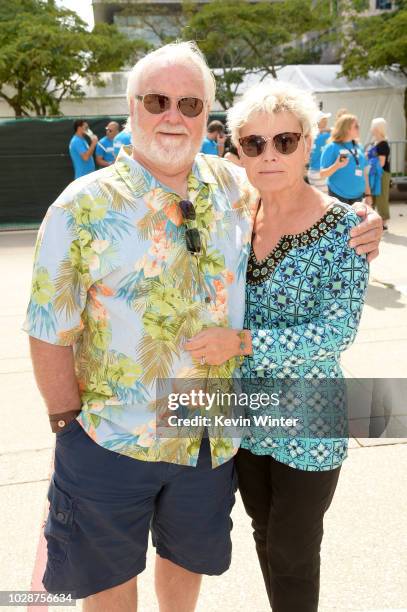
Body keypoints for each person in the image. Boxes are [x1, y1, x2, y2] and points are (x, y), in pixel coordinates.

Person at [23, 41, 382, 611]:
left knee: (187, 568)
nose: (173, 116)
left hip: (208, 442)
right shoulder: (79, 208)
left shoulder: (230, 187)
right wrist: (69, 427)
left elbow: (296, 201)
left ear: (206, 117)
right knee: (110, 580)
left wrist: (360, 217)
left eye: (190, 104)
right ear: (133, 105)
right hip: (115, 439)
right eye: (158, 100)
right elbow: (47, 327)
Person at [185, 81, 370, 611]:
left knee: (292, 546)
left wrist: (238, 344)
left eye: (285, 141)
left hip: (310, 415)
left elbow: (335, 333)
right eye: (255, 143)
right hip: (248, 412)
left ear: (309, 144)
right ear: (237, 150)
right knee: (263, 532)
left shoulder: (345, 227)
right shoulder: (236, 219)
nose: (270, 155)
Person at [319, 114, 373, 206]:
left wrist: (368, 194)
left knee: (357, 221)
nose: (359, 128)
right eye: (356, 126)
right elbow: (322, 174)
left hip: (358, 197)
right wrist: (336, 166)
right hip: (338, 195)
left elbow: (364, 172)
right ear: (346, 129)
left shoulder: (358, 146)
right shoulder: (331, 147)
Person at [367, 117, 391, 229]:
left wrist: (369, 161)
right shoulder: (376, 143)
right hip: (375, 174)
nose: (371, 129)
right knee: (374, 197)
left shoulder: (383, 144)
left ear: (377, 129)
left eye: (373, 127)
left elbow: (381, 163)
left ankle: (384, 222)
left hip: (382, 174)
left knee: (381, 197)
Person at [307, 110, 331, 192]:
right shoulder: (327, 136)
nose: (326, 121)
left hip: (311, 172)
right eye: (324, 119)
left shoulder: (311, 136)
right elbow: (338, 132)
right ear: (319, 122)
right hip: (320, 174)